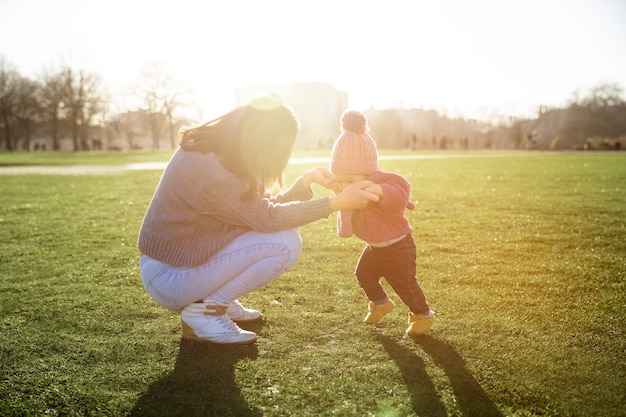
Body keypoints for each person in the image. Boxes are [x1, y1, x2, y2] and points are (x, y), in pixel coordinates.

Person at [137, 95, 379, 345]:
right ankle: (206, 311)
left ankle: (215, 301)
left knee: (281, 236)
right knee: (285, 243)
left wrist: (306, 181)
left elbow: (258, 212)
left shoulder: (226, 157)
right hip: (170, 277)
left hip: (186, 265)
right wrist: (336, 203)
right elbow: (267, 219)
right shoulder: (209, 167)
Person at [329, 110, 435, 337]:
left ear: (369, 174)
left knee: (405, 285)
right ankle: (380, 303)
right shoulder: (349, 193)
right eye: (340, 180)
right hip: (374, 248)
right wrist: (341, 196)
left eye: (350, 180)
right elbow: (345, 228)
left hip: (398, 247)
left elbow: (399, 196)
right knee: (363, 275)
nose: (345, 185)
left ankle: (423, 314)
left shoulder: (383, 182)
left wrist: (378, 191)